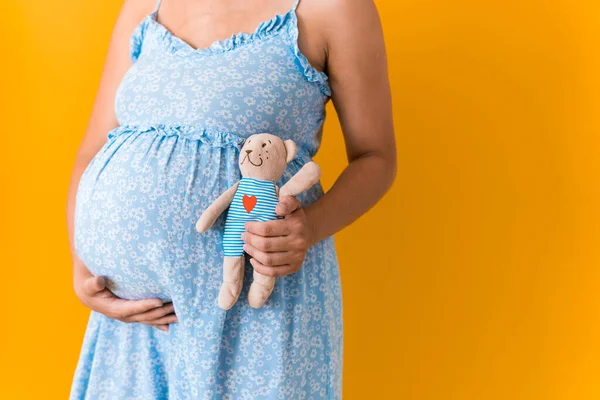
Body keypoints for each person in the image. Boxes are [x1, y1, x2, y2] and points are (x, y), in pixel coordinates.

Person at [65, 0, 396, 398]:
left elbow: (376, 158)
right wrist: (82, 266)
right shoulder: (144, 7)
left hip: (254, 312)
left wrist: (309, 228)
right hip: (137, 323)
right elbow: (93, 150)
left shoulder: (333, 9)